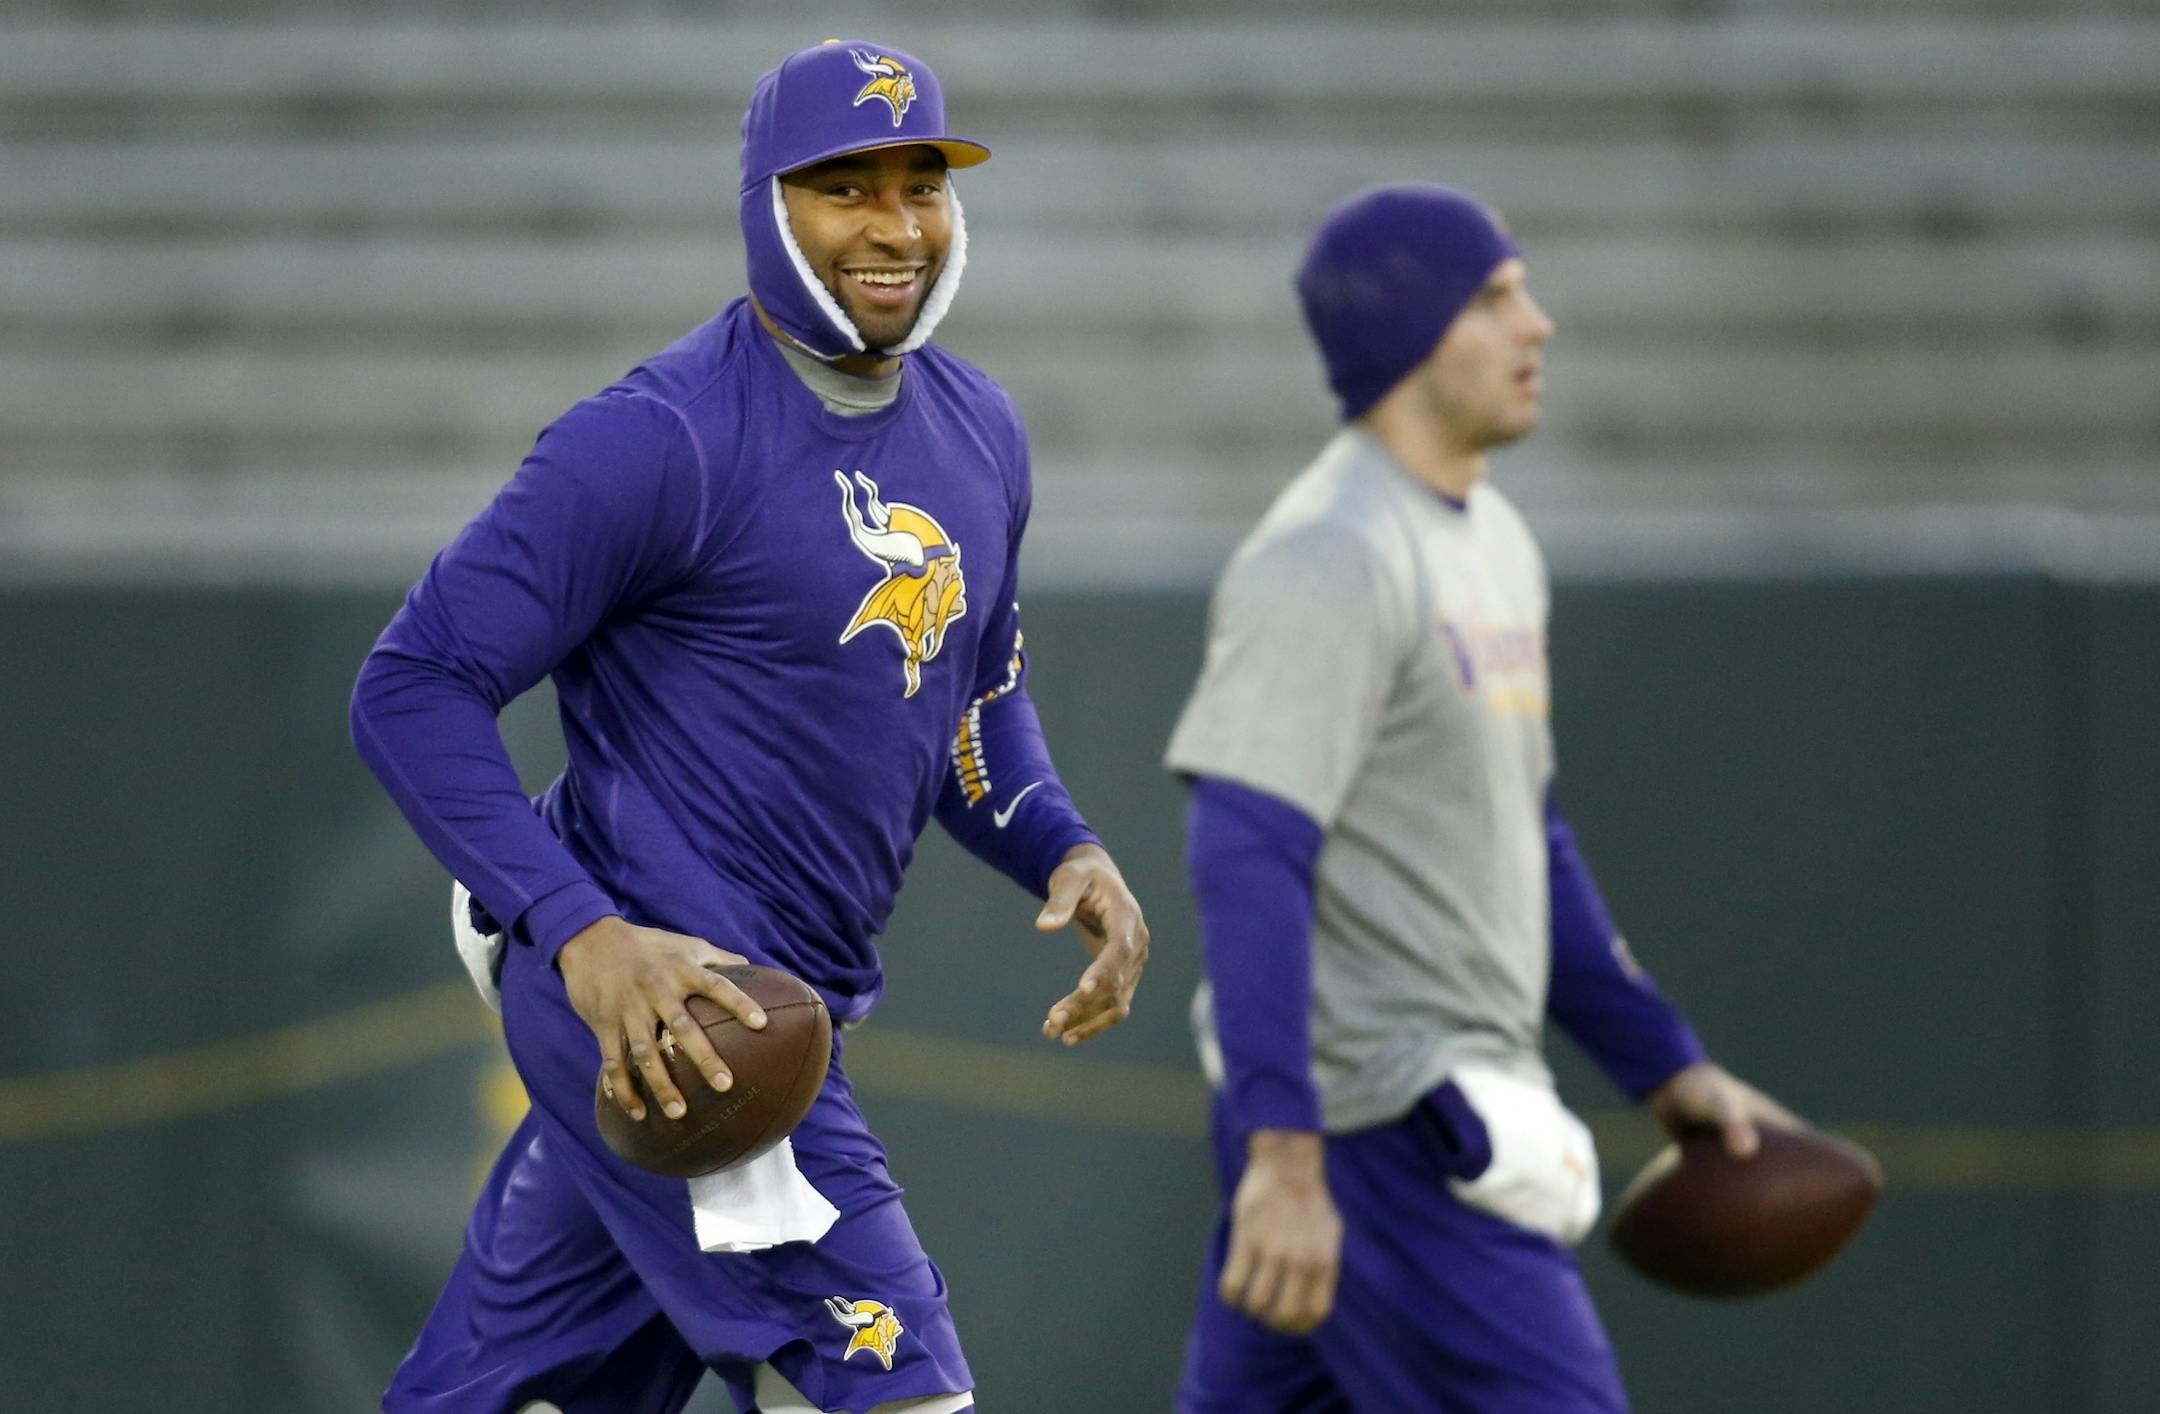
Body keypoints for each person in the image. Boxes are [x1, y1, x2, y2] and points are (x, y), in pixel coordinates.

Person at [350, 39, 1148, 1414]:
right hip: (680, 1003)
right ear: (768, 207)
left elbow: (969, 693)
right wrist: (581, 932)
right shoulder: (657, 438)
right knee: (901, 1395)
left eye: (921, 186)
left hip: (771, 1013)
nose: (895, 227)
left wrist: (1060, 844)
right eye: (847, 189)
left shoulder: (981, 431)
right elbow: (413, 682)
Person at [1162, 184, 1795, 1412]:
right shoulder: (1328, 555)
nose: (1536, 324)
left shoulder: (1494, 540)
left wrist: (1665, 1066)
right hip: (1385, 1125)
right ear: (1409, 329)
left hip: (1388, 1117)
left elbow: (1525, 837)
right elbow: (1245, 853)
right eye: (1495, 297)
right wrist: (1287, 1154)